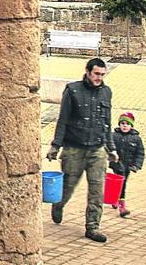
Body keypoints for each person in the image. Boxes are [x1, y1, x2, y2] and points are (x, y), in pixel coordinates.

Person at [46, 57, 118, 243]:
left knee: (97, 191)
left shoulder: (107, 92)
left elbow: (107, 122)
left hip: (97, 150)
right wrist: (56, 145)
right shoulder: (73, 90)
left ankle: (92, 227)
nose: (99, 78)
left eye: (102, 74)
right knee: (68, 186)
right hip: (73, 149)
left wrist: (111, 148)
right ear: (87, 72)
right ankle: (58, 205)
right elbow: (62, 120)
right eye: (96, 74)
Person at [109, 112, 145, 217]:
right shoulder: (114, 136)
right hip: (116, 164)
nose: (125, 126)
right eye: (122, 123)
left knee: (122, 183)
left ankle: (117, 200)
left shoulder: (136, 139)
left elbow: (140, 153)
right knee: (120, 183)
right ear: (119, 125)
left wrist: (136, 165)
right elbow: (108, 147)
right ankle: (121, 205)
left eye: (127, 124)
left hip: (128, 166)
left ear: (131, 125)